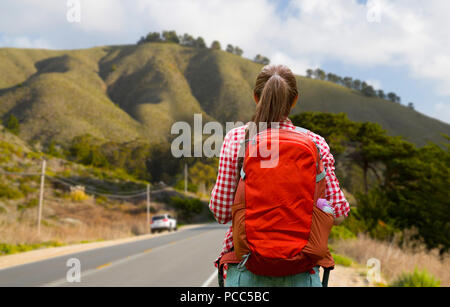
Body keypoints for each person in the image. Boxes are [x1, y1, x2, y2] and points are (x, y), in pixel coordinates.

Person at [209, 64, 350, 287]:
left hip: (247, 268)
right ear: (294, 100)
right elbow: (339, 210)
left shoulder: (237, 139)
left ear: (257, 97)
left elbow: (221, 212)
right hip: (301, 270)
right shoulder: (315, 143)